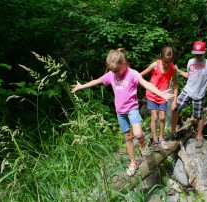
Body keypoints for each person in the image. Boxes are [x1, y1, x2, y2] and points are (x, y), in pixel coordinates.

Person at [71, 48, 174, 176]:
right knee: (128, 137)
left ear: (124, 63)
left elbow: (147, 84)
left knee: (137, 134)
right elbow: (97, 81)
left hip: (132, 109)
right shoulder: (111, 75)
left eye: (117, 70)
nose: (116, 73)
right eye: (113, 71)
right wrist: (81, 86)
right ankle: (133, 162)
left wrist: (160, 93)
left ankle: (143, 142)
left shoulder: (132, 74)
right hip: (120, 112)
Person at [170, 41, 207, 148]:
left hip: (199, 93)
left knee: (199, 116)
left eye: (200, 54)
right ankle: (172, 132)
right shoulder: (190, 61)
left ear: (205, 52)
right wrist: (179, 71)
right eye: (195, 54)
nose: (197, 56)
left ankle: (199, 136)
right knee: (175, 108)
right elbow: (189, 75)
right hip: (187, 90)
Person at [140, 46, 178, 152]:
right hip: (152, 94)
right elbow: (140, 76)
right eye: (165, 61)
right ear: (160, 57)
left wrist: (175, 100)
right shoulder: (155, 65)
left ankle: (161, 138)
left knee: (162, 117)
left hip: (164, 95)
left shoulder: (172, 68)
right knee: (154, 116)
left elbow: (175, 84)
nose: (166, 64)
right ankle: (155, 140)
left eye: (169, 61)